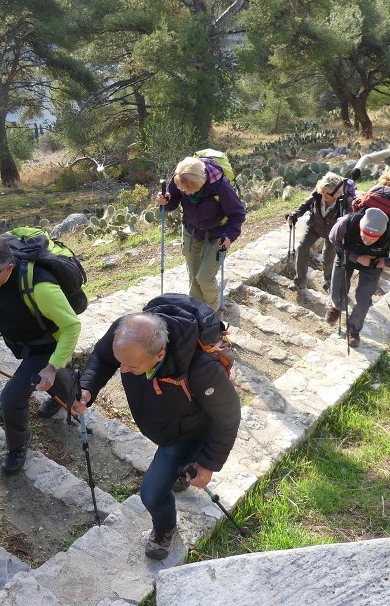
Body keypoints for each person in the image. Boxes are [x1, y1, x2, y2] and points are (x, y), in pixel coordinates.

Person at [73, 296, 241, 560]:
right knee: (171, 470)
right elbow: (104, 357)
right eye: (122, 363)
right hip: (164, 422)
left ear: (160, 354)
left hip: (189, 432)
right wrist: (87, 388)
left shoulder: (200, 369)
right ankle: (180, 472)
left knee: (151, 493)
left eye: (131, 366)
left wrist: (208, 464)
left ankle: (164, 527)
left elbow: (228, 415)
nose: (124, 370)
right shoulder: (126, 334)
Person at [0, 236, 81, 475]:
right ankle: (71, 397)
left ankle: (18, 445)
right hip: (26, 343)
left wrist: (51, 367)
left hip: (47, 344)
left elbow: (72, 326)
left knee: (11, 399)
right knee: (52, 380)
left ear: (8, 269)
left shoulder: (40, 287)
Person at [326, 207, 390, 348]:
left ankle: (354, 330)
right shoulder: (347, 222)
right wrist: (357, 257)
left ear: (382, 233)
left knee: (363, 300)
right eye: (364, 235)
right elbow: (333, 240)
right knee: (336, 291)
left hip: (373, 264)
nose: (367, 240)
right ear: (360, 226)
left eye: (374, 238)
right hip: (346, 257)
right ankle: (336, 306)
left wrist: (387, 262)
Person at [157, 155, 246, 309]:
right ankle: (196, 307)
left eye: (190, 190)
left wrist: (229, 236)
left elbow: (237, 214)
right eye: (183, 189)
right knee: (193, 275)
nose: (186, 193)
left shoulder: (220, 186)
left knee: (204, 278)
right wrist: (166, 201)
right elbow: (172, 201)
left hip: (217, 233)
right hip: (191, 230)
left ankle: (212, 306)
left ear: (201, 183)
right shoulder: (181, 177)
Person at [286, 171, 357, 290]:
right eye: (323, 191)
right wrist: (294, 215)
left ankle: (328, 279)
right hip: (315, 225)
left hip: (333, 231)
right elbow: (305, 205)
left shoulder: (344, 203)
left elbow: (350, 219)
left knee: (328, 256)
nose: (325, 195)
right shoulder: (317, 195)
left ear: (337, 193)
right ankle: (299, 282)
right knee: (302, 248)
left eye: (328, 193)